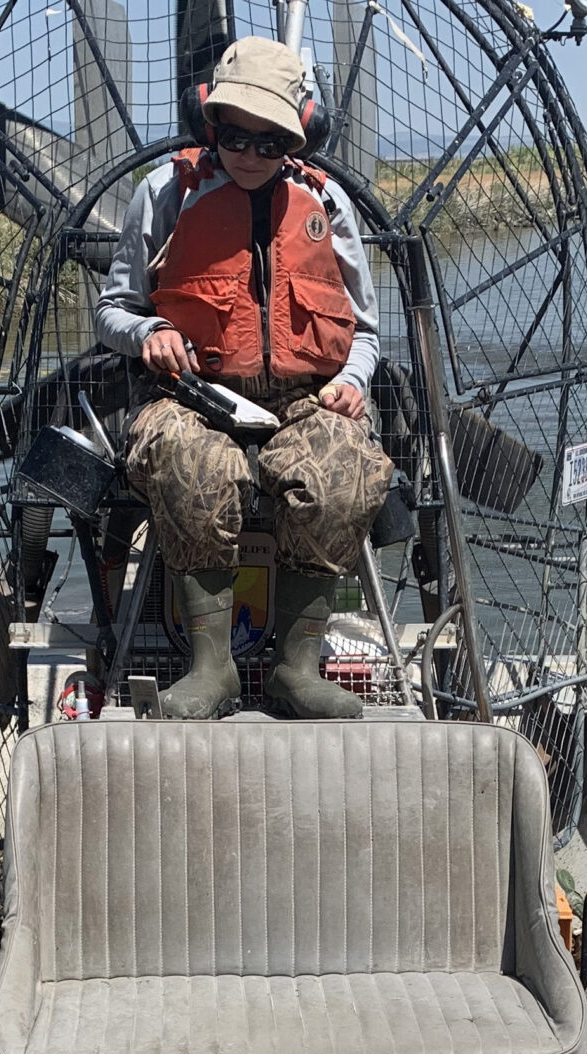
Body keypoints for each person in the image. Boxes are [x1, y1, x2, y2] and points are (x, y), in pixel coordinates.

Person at [95, 36, 393, 719]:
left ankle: (295, 670)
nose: (250, 154)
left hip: (304, 399)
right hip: (190, 397)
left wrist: (353, 379)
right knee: (190, 462)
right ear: (208, 120)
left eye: (271, 143)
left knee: (346, 468)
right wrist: (150, 333)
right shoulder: (165, 192)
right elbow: (112, 312)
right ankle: (212, 669)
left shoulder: (327, 203)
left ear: (300, 137)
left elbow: (367, 331)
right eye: (235, 136)